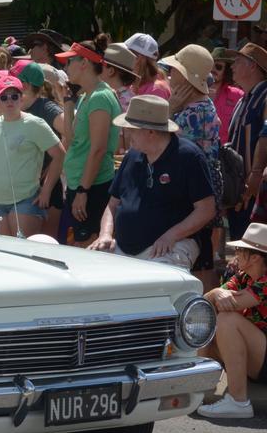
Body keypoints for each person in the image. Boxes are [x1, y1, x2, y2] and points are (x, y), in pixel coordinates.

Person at [90, 95, 215, 268]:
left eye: (132, 129)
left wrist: (171, 235)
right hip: (123, 246)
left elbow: (206, 210)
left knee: (158, 277)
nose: (127, 134)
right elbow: (112, 204)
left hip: (172, 244)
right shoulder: (132, 156)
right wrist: (105, 234)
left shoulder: (188, 156)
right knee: (90, 269)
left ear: (150, 131)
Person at [163, 44, 223, 289]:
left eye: (175, 71)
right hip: (201, 194)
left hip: (191, 198)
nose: (170, 75)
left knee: (197, 262)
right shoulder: (202, 107)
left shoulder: (191, 113)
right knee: (202, 258)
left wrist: (170, 110)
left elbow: (162, 146)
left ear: (188, 79)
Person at [54, 39, 122, 245]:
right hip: (81, 184)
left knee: (88, 250)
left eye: (69, 63)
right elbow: (72, 137)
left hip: (92, 187)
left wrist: (83, 191)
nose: (65, 68)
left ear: (84, 63)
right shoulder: (87, 96)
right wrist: (67, 102)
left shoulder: (100, 97)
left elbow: (99, 149)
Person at [198, 223, 267, 418]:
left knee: (227, 320)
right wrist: (217, 292)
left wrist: (216, 296)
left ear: (254, 257)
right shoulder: (243, 277)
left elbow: (229, 305)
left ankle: (239, 402)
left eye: (239, 250)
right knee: (209, 324)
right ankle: (196, 391)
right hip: (260, 357)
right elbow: (205, 302)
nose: (235, 253)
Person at [0, 73, 65, 237]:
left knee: (23, 253)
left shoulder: (35, 123)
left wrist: (46, 191)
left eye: (15, 96)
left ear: (22, 99)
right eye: (4, 97)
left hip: (25, 200)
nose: (10, 101)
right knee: (4, 255)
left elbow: (60, 155)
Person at [227, 43, 267, 236]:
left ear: (253, 66)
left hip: (255, 191)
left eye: (237, 61)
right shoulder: (244, 99)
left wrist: (256, 174)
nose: (232, 66)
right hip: (240, 190)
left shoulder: (265, 97)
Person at [210, 47, 243, 146]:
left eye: (218, 67)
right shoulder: (194, 91)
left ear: (226, 71)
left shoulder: (238, 95)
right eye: (210, 65)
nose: (212, 69)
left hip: (224, 153)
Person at [124, 32, 170, 99]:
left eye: (125, 53)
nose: (122, 56)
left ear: (138, 58)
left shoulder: (157, 89)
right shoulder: (132, 82)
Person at [101, 43, 139, 113]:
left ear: (111, 71)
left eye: (102, 65)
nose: (98, 68)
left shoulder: (119, 99)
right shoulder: (130, 97)